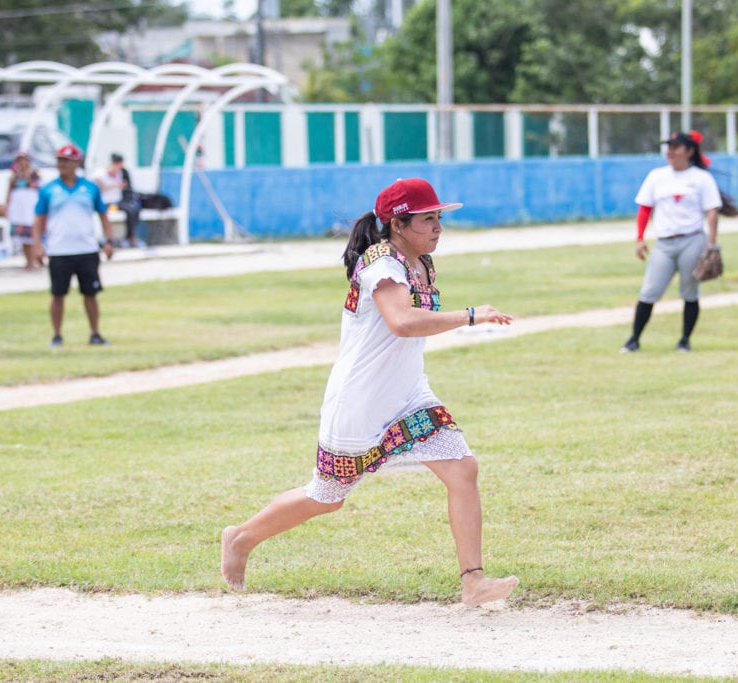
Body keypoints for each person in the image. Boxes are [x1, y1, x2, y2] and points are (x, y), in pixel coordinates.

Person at [221, 178, 520, 608]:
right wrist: (471, 316)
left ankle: (474, 582)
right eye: (428, 219)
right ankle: (241, 538)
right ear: (398, 224)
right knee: (326, 497)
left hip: (409, 394)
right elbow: (401, 321)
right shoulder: (382, 263)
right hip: (361, 401)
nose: (438, 227)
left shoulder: (420, 260)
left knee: (463, 469)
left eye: (439, 218)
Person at [621, 130, 738, 353]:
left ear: (690, 151)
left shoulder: (701, 178)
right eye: (669, 147)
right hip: (664, 243)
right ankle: (633, 340)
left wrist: (711, 244)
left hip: (692, 240)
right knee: (649, 291)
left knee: (690, 291)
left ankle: (685, 340)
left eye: (676, 147)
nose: (671, 151)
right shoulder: (657, 176)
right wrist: (639, 238)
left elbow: (712, 212)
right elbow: (645, 208)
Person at [31, 144, 115, 348]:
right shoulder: (48, 190)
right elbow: (39, 220)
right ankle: (57, 335)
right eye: (59, 160)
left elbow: (103, 215)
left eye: (66, 161)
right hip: (59, 249)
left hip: (86, 248)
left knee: (91, 294)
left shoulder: (90, 188)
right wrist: (37, 246)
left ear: (77, 163)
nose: (62, 165)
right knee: (58, 294)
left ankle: (95, 333)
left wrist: (108, 241)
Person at [5, 151, 43, 270]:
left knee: (32, 236)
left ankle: (34, 261)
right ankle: (28, 261)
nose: (22, 163)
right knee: (23, 238)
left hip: (30, 207)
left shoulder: (34, 174)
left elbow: (39, 190)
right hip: (18, 209)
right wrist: (7, 206)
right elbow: (9, 191)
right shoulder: (14, 176)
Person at [94, 153, 140, 248]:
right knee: (103, 215)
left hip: (117, 202)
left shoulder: (121, 173)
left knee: (133, 209)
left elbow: (126, 188)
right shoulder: (100, 173)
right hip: (103, 202)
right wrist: (115, 185)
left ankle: (130, 236)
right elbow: (100, 187)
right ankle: (106, 240)